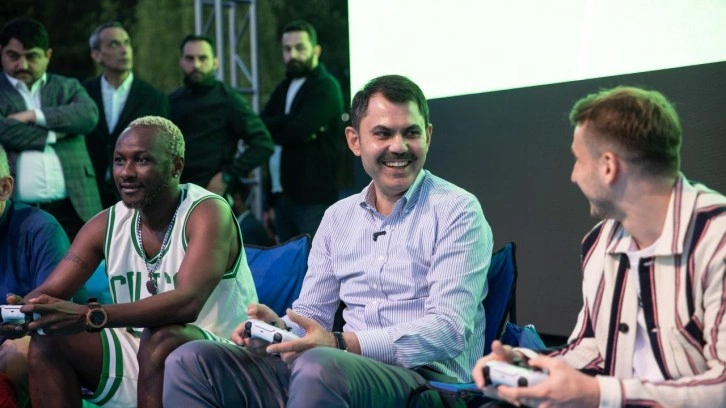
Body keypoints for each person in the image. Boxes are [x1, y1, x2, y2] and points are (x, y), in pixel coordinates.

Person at [163, 75, 493, 407]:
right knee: (191, 359)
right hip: (336, 368)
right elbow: (312, 315)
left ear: (428, 136)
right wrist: (276, 329)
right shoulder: (338, 217)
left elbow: (449, 330)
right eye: (383, 133)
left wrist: (340, 343)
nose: (398, 146)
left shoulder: (457, 210)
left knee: (318, 366)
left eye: (411, 133)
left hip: (428, 383)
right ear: (354, 141)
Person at [472, 86, 726, 407]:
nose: (573, 175)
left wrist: (598, 394)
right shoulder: (600, 241)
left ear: (608, 166)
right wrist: (527, 365)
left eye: (578, 161)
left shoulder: (716, 240)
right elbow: (591, 347)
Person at [6, 116, 257, 408]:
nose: (126, 172)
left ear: (176, 166)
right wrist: (19, 313)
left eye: (141, 160)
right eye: (119, 160)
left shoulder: (208, 212)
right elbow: (49, 293)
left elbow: (187, 303)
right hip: (144, 352)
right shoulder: (106, 224)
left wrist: (90, 315)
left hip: (224, 356)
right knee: (49, 339)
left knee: (162, 336)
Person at [0, 18, 102, 241]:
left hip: (75, 208)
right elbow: (3, 131)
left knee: (84, 263)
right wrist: (57, 133)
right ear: (1, 53)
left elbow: (88, 115)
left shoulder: (68, 87)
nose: (22, 65)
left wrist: (33, 115)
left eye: (32, 57)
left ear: (47, 55)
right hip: (15, 211)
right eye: (13, 56)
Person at [261, 20, 344, 242]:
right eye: (287, 49)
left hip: (312, 199)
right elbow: (260, 125)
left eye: (300, 48)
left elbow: (299, 130)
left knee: (317, 260)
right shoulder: (283, 88)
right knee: (290, 262)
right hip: (280, 197)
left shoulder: (325, 86)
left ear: (316, 50)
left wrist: (283, 126)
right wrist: (290, 122)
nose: (293, 55)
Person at [0, 144, 69, 408]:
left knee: (24, 350)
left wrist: (12, 314)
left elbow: (55, 314)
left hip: (27, 341)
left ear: (4, 188)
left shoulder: (41, 229)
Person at [169, 34, 273, 196]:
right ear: (181, 62)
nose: (196, 65)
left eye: (203, 58)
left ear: (215, 63)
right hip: (176, 193)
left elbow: (263, 144)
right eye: (190, 58)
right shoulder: (172, 101)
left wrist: (227, 175)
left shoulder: (228, 100)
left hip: (212, 194)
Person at [84, 21, 170, 208]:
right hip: (90, 194)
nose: (124, 50)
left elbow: (162, 149)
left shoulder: (153, 97)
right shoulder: (83, 93)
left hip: (137, 192)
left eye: (127, 43)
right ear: (96, 54)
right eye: (114, 44)